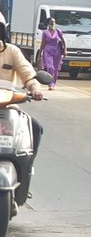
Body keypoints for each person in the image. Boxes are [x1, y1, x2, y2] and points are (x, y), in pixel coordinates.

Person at [0, 24, 45, 160]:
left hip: (8, 107)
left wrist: (35, 89)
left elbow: (29, 76)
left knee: (35, 127)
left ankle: (26, 167)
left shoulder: (12, 51)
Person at [39, 18, 65, 90]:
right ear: (48, 23)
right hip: (48, 51)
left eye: (54, 22)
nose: (53, 23)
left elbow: (63, 41)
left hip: (57, 51)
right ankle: (50, 83)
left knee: (55, 69)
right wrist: (40, 53)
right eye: (51, 22)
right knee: (50, 67)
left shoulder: (58, 31)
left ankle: (53, 83)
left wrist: (65, 50)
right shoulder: (45, 33)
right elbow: (43, 44)